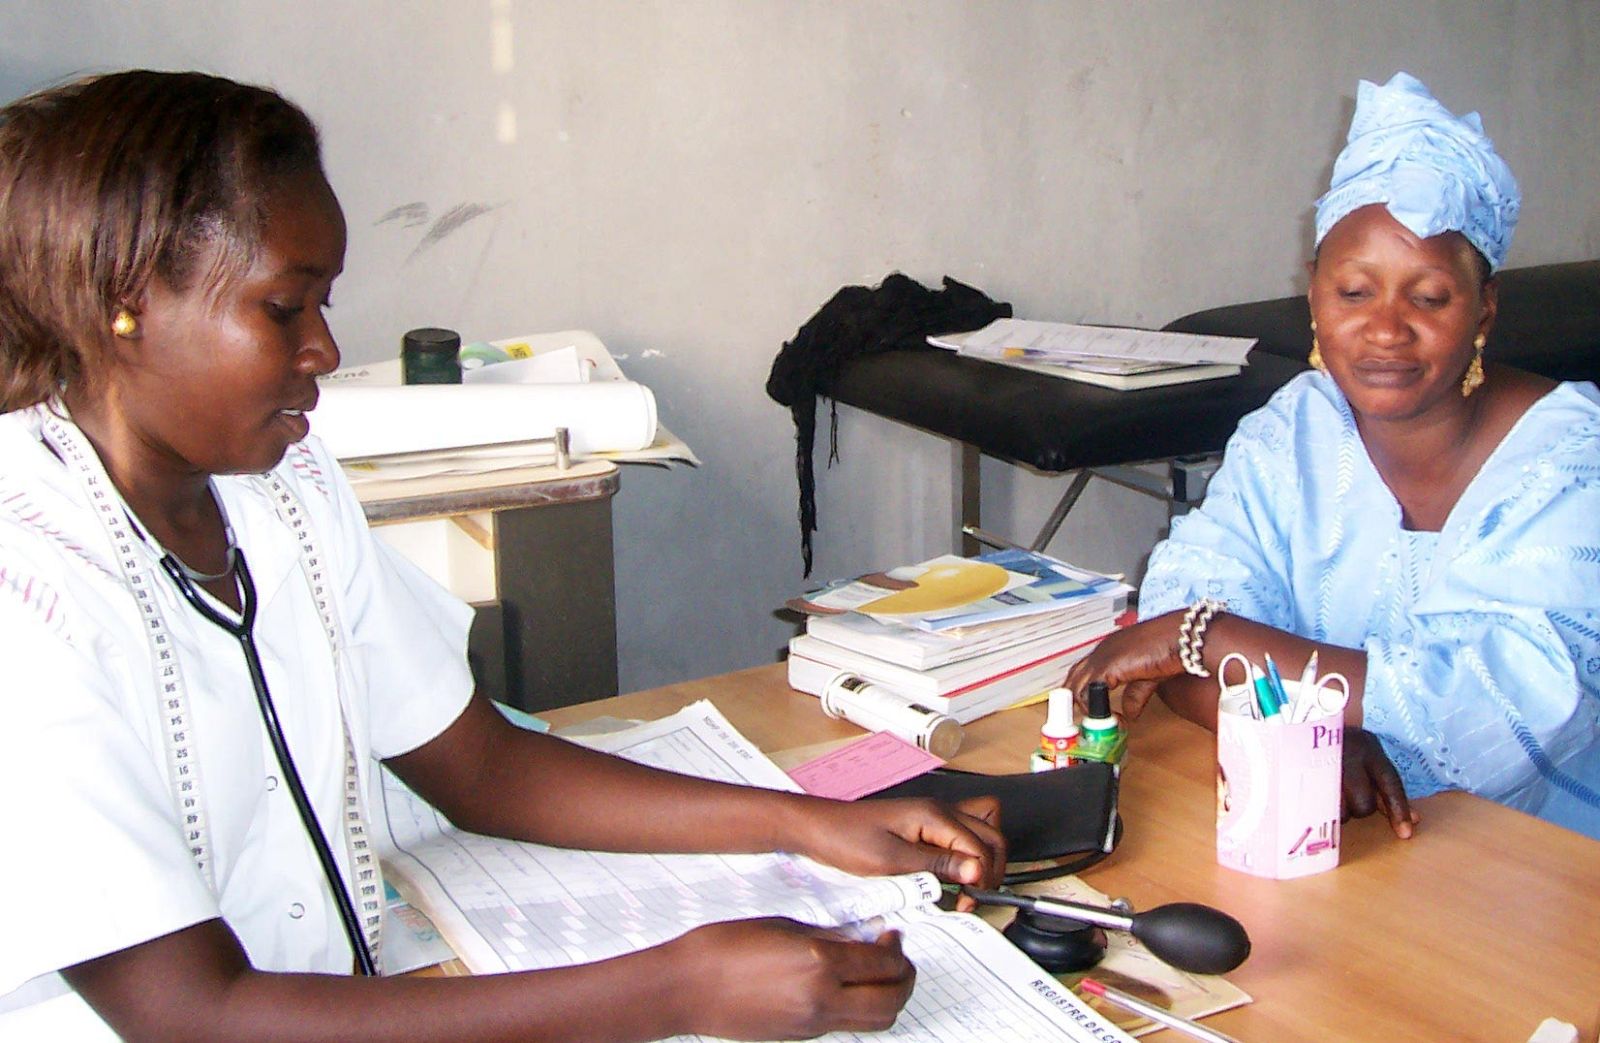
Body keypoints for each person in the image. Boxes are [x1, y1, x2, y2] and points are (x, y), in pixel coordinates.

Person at [0, 70, 1005, 1041]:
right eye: (283, 307)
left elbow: (479, 764)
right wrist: (674, 988)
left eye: (324, 304)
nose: (322, 350)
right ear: (124, 304)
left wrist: (804, 823)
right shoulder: (28, 589)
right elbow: (194, 1015)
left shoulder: (280, 485)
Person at [1064, 72, 1600, 843]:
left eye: (1429, 297)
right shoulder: (1295, 432)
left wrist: (1213, 638)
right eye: (1354, 292)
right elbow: (1172, 641)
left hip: (1535, 860)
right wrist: (1310, 730)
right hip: (1335, 834)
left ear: (1484, 310)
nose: (1386, 329)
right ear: (1312, 295)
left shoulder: (1570, 463)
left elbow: (1508, 713)